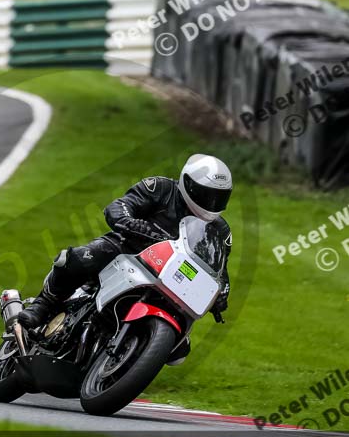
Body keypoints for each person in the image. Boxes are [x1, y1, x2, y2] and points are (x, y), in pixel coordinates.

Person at [19, 154, 233, 363]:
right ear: (188, 183)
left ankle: (130, 357)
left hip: (171, 277)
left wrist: (221, 293)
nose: (212, 203)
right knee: (77, 260)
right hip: (127, 249)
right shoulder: (160, 188)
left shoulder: (220, 230)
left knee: (179, 352)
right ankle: (43, 304)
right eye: (207, 195)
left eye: (219, 197)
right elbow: (120, 206)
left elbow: (219, 269)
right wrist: (129, 222)